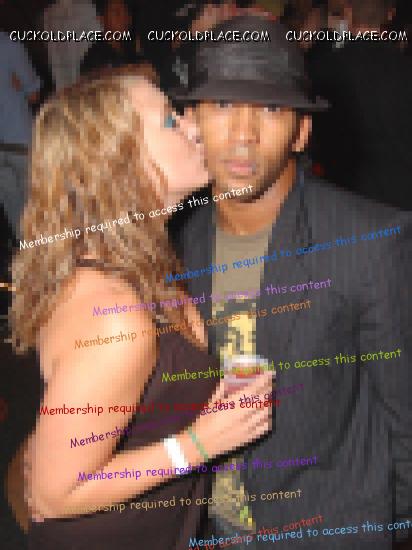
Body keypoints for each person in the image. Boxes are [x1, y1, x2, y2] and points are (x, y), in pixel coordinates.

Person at [172, 15, 412, 549]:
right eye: (223, 104)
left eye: (270, 108)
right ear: (190, 122)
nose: (243, 134)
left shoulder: (370, 241)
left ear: (302, 132)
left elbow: (405, 419)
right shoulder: (180, 240)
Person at [10, 71, 272, 549]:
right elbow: (53, 494)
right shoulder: (114, 313)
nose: (193, 125)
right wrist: (200, 442)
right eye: (171, 121)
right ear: (123, 164)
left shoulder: (138, 259)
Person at [308, 0, 412, 209]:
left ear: (348, 13)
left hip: (341, 198)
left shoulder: (322, 69)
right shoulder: (404, 70)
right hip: (400, 201)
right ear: (389, 15)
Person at [0, 31, 41, 238]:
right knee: (39, 205)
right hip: (20, 140)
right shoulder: (8, 44)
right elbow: (34, 95)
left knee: (14, 212)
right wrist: (20, 87)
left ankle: (26, 253)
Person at [43, 0, 101, 90]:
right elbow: (53, 54)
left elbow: (99, 45)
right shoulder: (49, 14)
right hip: (68, 82)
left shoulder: (88, 7)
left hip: (91, 77)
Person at [80, 0, 145, 76]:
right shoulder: (94, 57)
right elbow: (92, 78)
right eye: (117, 12)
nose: (123, 17)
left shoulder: (131, 51)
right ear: (102, 19)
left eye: (125, 12)